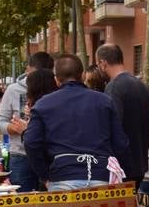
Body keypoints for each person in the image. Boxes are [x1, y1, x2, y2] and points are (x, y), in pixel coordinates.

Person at [22, 54, 129, 191]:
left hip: (63, 176)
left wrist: (44, 175)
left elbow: (31, 142)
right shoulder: (105, 101)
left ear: (56, 79)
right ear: (83, 75)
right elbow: (121, 143)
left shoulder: (43, 105)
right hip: (101, 175)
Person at [0, 52, 54, 193]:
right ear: (27, 69)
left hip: (48, 155)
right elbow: (0, 124)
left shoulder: (54, 89)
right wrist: (15, 128)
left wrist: (30, 130)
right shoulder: (13, 89)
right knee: (23, 202)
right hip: (21, 156)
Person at [96, 43, 149, 183]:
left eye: (98, 64)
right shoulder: (142, 86)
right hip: (140, 162)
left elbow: (113, 127)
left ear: (103, 63)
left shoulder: (114, 88)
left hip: (121, 167)